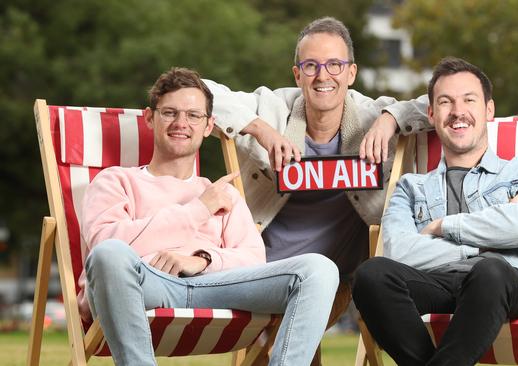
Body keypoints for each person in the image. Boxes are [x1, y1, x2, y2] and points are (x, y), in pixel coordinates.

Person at [78, 67, 339, 366]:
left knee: (319, 269)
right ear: (150, 119)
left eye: (193, 115)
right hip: (145, 286)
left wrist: (202, 260)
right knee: (109, 254)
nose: (181, 123)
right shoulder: (115, 181)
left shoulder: (222, 193)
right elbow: (105, 250)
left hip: (216, 287)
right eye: (169, 113)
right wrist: (197, 210)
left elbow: (253, 260)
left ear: (208, 125)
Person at [202, 17, 430, 339]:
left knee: (304, 305)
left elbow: (442, 101)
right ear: (297, 75)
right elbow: (195, 90)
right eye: (311, 66)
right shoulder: (271, 108)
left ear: (351, 73)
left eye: (335, 65)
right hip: (258, 271)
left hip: (334, 279)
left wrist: (392, 118)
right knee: (290, 327)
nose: (323, 76)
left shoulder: (372, 115)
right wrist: (260, 129)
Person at [352, 57, 518, 366]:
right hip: (440, 287)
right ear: (431, 113)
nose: (458, 112)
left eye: (469, 100)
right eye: (445, 102)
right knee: (371, 274)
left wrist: (442, 227)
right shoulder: (410, 187)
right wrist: (487, 241)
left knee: (490, 270)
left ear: (488, 110)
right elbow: (398, 252)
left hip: (512, 291)